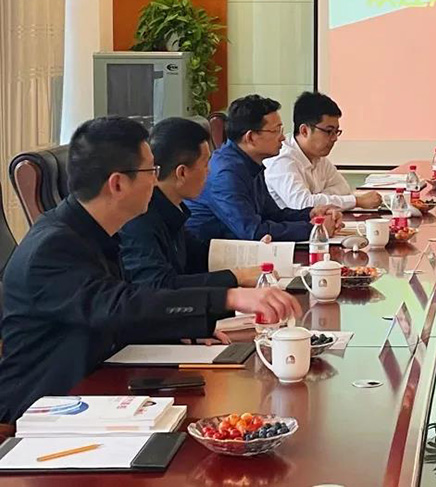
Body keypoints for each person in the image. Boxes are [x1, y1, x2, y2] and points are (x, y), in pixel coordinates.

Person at [0, 117, 302, 424]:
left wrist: (187, 327)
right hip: (45, 407)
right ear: (118, 183)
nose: (157, 180)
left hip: (99, 385)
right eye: (151, 171)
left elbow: (119, 312)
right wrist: (229, 296)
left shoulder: (93, 231)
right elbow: (119, 305)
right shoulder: (53, 247)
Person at [120, 118, 261, 289]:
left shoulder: (172, 208)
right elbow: (157, 286)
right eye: (205, 163)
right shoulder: (140, 218)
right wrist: (236, 277)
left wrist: (258, 252)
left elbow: (201, 256)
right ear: (182, 173)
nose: (209, 171)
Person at [186, 95, 344, 242]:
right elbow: (254, 231)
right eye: (276, 131)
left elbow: (272, 214)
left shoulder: (251, 163)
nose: (282, 137)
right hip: (207, 255)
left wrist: (311, 213)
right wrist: (314, 229)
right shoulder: (226, 173)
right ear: (250, 137)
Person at [264, 92, 381, 211]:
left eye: (336, 132)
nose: (334, 138)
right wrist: (356, 201)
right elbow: (303, 204)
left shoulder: (318, 156)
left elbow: (343, 189)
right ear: (304, 131)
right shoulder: (282, 159)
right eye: (329, 131)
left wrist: (316, 198)